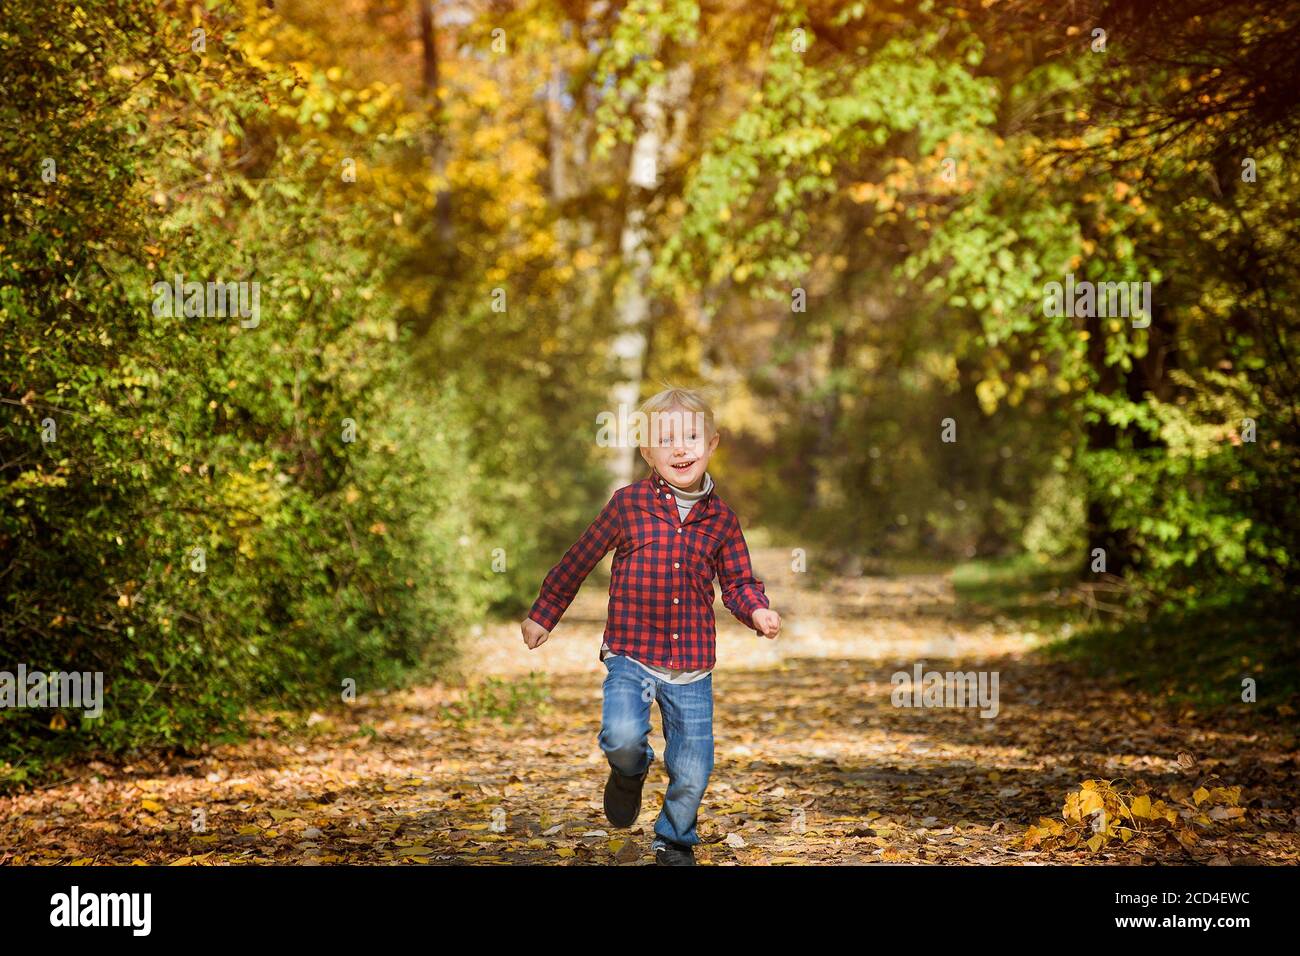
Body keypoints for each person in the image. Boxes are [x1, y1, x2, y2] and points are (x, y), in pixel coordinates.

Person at [521, 386, 780, 865]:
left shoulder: (721, 520)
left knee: (693, 769)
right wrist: (544, 612)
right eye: (666, 440)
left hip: (692, 667)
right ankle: (629, 771)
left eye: (691, 437)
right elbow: (579, 559)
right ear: (647, 452)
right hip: (631, 654)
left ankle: (675, 839)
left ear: (712, 444)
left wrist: (757, 610)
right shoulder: (628, 505)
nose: (680, 448)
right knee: (621, 737)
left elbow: (740, 582)